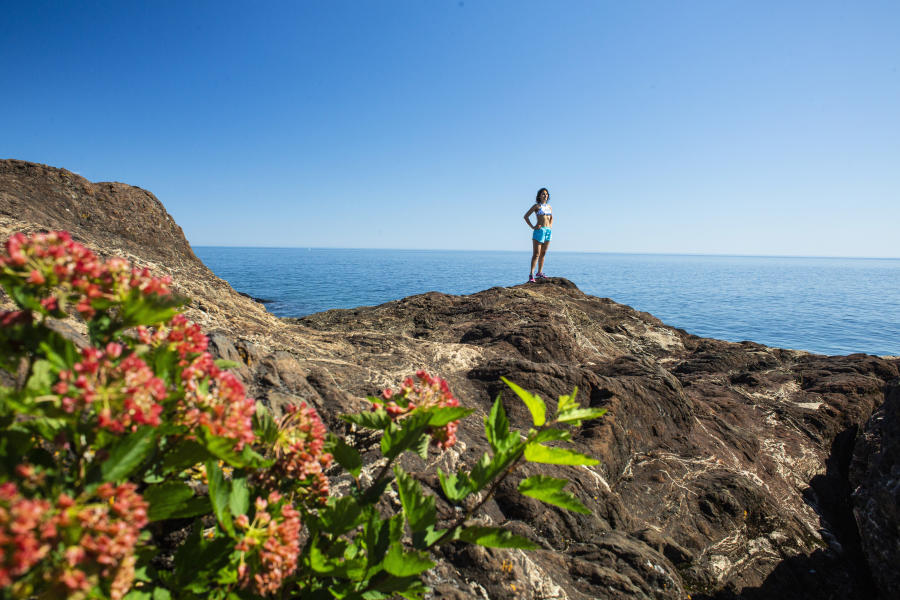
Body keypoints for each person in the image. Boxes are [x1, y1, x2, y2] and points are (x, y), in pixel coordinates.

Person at [523, 187, 552, 282]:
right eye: (543, 194)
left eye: (546, 194)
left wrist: (550, 227)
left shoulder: (549, 207)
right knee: (536, 254)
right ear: (539, 196)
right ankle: (531, 274)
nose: (545, 195)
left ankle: (539, 272)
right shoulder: (537, 206)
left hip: (548, 231)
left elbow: (551, 218)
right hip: (539, 231)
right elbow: (526, 216)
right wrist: (533, 226)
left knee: (543, 253)